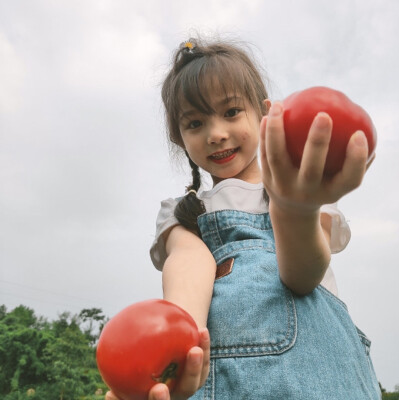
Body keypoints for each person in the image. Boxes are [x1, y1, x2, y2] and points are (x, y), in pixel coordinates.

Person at [107, 37, 380, 400]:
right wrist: (178, 349)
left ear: (264, 111)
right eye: (195, 123)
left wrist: (296, 210)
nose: (216, 134)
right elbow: (189, 264)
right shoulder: (183, 212)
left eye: (231, 112)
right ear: (179, 137)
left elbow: (302, 276)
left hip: (322, 372)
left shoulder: (302, 189)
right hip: (218, 379)